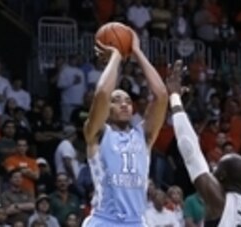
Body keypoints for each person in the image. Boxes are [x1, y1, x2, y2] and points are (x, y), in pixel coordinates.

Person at [81, 27, 168, 227]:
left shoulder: (144, 135)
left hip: (137, 221)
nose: (124, 104)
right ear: (107, 109)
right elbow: (102, 93)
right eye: (117, 100)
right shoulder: (98, 132)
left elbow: (161, 95)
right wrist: (117, 56)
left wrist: (136, 51)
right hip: (105, 220)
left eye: (128, 101)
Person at [166, 60, 241, 227]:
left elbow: (190, 150)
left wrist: (174, 98)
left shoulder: (219, 201)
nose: (213, 169)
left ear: (222, 176)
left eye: (218, 167)